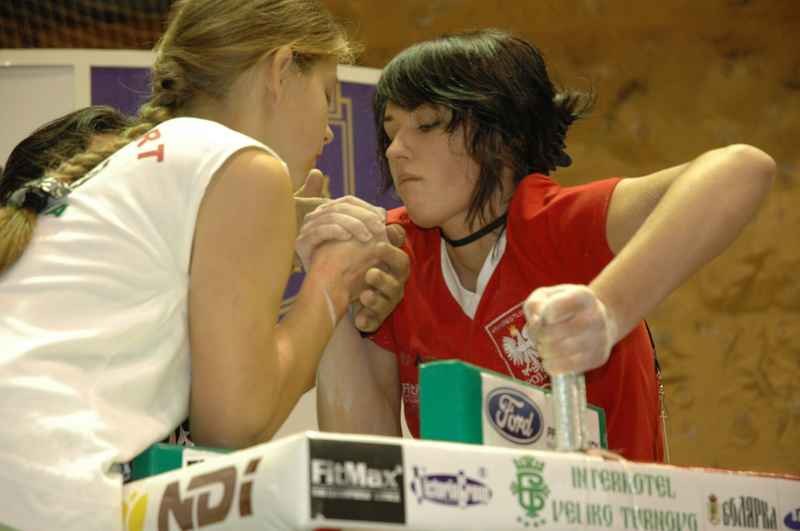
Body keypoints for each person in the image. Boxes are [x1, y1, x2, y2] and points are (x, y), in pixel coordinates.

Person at [0, 1, 406, 529]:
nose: (329, 131)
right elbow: (234, 423)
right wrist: (331, 282)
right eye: (327, 95)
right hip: (38, 483)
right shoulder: (242, 163)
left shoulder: (148, 160)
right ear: (281, 69)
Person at [312, 29, 775, 462]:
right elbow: (366, 464)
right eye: (391, 131)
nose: (396, 150)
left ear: (503, 136)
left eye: (428, 124)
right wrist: (330, 284)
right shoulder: (392, 251)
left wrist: (608, 309)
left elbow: (743, 169)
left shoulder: (557, 224)